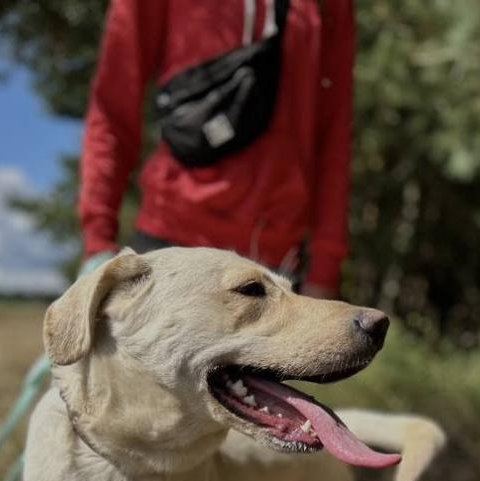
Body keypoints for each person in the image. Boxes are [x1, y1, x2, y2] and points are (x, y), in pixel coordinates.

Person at [78, 0, 355, 298]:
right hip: (168, 250)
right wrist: (97, 243)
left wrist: (325, 269)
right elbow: (113, 105)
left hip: (275, 268)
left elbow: (335, 130)